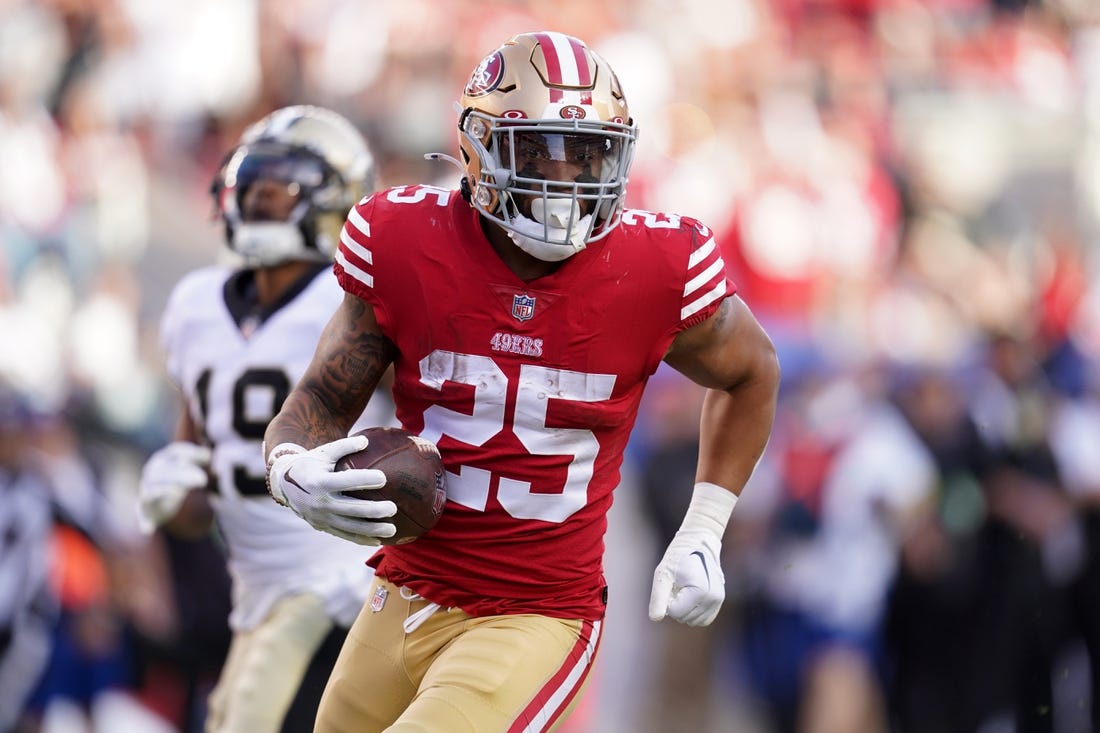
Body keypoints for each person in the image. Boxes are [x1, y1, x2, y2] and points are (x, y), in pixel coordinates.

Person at [263, 32, 780, 733]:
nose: (567, 182)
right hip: (402, 593)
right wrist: (291, 469)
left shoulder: (656, 266)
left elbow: (752, 371)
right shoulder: (406, 242)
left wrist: (704, 527)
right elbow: (322, 399)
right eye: (540, 151)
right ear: (477, 147)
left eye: (589, 154)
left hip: (536, 616)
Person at [136, 105, 392, 733]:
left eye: (275, 191)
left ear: (332, 199)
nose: (254, 204)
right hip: (251, 589)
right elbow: (202, 493)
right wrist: (176, 490)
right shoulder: (195, 304)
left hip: (344, 579)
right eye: (247, 188)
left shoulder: (354, 299)